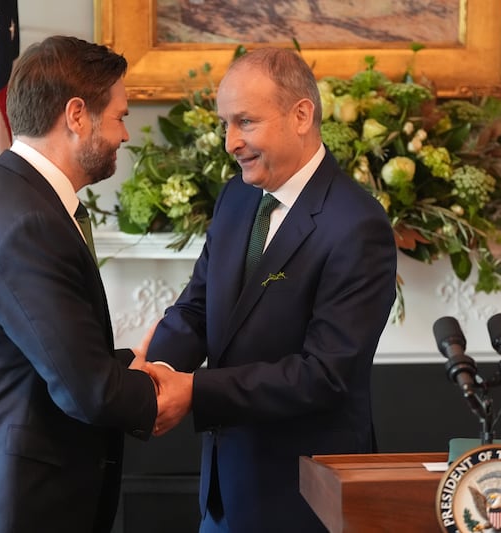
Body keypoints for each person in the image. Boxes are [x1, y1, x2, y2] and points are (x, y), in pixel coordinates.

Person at [0, 36, 181, 533]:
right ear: (77, 116)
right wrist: (162, 387)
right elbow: (89, 392)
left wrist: (125, 366)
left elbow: (45, 354)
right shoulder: (27, 223)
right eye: (119, 116)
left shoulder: (16, 199)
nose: (125, 134)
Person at [143, 47, 398, 532]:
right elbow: (198, 306)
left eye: (245, 121)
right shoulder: (236, 197)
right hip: (223, 495)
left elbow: (325, 374)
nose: (230, 142)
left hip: (302, 501)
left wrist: (194, 391)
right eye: (225, 124)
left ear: (301, 115)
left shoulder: (357, 224)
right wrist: (153, 370)